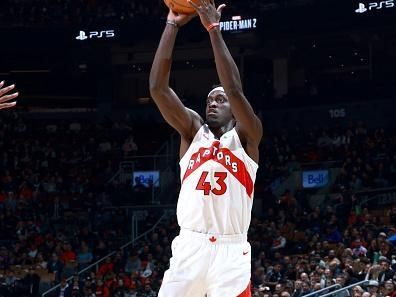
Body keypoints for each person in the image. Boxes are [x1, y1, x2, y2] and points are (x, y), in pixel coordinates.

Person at [149, 0, 263, 296]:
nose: (212, 102)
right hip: (190, 246)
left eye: (220, 99)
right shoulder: (192, 133)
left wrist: (214, 29)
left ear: (236, 110)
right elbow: (157, 89)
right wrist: (171, 25)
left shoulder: (247, 137)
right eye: (209, 99)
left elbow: (235, 89)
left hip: (231, 251)